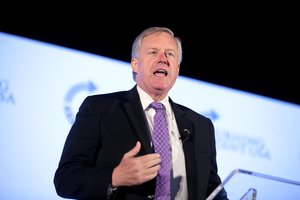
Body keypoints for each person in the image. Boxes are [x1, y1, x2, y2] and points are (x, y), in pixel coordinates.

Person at [54, 26, 228, 200]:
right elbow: (66, 179)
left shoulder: (201, 126)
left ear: (177, 68)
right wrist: (114, 177)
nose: (163, 59)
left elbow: (212, 190)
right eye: (153, 52)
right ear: (135, 64)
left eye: (170, 54)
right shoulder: (100, 109)